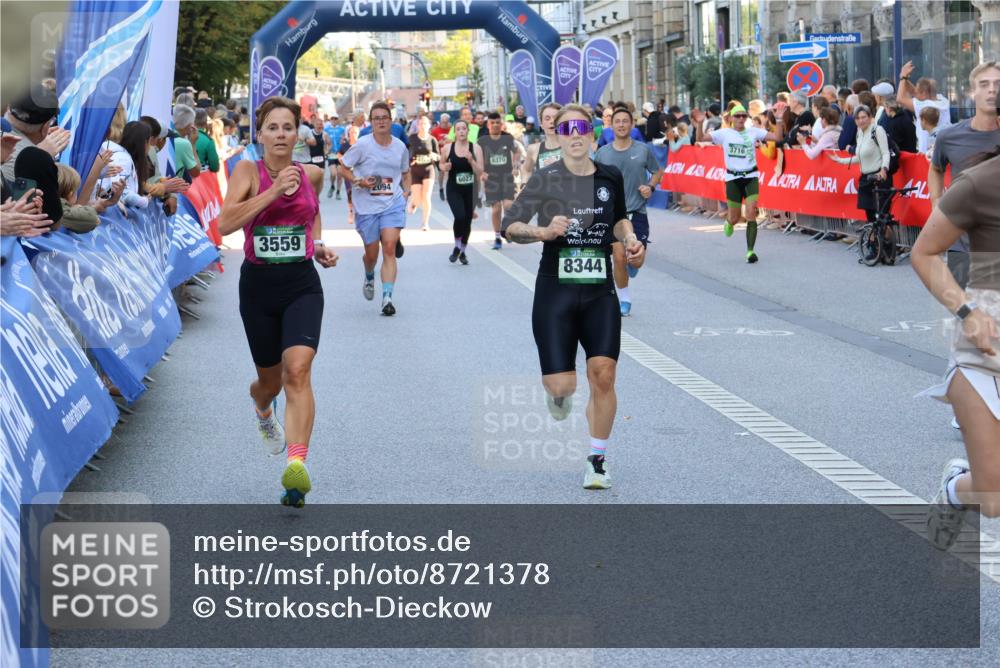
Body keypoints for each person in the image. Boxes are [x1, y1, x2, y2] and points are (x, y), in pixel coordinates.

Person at [501, 104, 645, 490]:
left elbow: (619, 218)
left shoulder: (609, 176)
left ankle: (597, 460)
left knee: (604, 373)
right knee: (561, 386)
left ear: (594, 133)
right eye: (567, 128)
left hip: (599, 291)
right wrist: (544, 232)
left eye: (583, 126)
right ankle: (560, 396)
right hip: (555, 291)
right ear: (559, 136)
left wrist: (630, 239)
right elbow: (509, 226)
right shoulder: (546, 179)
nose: (576, 133)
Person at [218, 96, 339, 508]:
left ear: (298, 133)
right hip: (258, 287)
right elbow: (225, 224)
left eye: (288, 127)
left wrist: (318, 243)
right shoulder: (247, 171)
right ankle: (261, 407)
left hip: (301, 283)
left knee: (298, 371)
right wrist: (271, 195)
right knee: (270, 383)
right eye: (273, 127)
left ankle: (297, 467)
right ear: (261, 134)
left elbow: (311, 212)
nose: (282, 134)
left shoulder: (312, 175)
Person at [911, 146, 1000, 551]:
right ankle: (954, 490)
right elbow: (924, 253)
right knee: (993, 497)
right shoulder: (980, 183)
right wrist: (968, 313)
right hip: (986, 349)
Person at [929, 61, 1000, 430]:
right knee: (967, 316)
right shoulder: (951, 137)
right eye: (984, 84)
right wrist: (936, 207)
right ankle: (968, 396)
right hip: (962, 246)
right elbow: (936, 168)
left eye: (997, 84)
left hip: (994, 246)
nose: (991, 90)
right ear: (973, 92)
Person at [339, 101, 412, 316]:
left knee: (389, 247)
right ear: (371, 122)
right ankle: (369, 274)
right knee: (372, 254)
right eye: (376, 118)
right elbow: (343, 167)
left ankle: (387, 298)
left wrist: (406, 192)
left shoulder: (399, 146)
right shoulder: (362, 145)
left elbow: (406, 173)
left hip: (392, 203)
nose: (381, 121)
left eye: (384, 117)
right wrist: (359, 181)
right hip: (367, 207)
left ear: (391, 121)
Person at [595, 105, 663, 317]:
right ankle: (624, 299)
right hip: (614, 215)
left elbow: (657, 171)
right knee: (618, 257)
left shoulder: (642, 150)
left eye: (625, 121)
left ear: (631, 124)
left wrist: (650, 187)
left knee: (636, 259)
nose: (621, 125)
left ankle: (633, 263)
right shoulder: (602, 153)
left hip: (637, 212)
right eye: (618, 121)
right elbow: (593, 179)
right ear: (611, 125)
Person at [704, 102, 784, 263]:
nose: (741, 118)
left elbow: (777, 138)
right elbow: (700, 138)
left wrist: (780, 120)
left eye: (744, 116)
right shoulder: (724, 133)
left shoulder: (753, 132)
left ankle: (750, 251)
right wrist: (699, 123)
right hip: (733, 178)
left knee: (751, 213)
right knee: (735, 218)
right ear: (732, 118)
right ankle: (729, 222)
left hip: (751, 176)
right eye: (738, 116)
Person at [829, 105, 890, 224]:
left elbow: (885, 153)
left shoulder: (877, 130)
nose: (861, 120)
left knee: (881, 216)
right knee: (870, 215)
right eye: (858, 118)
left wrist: (884, 169)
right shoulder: (859, 133)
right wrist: (840, 160)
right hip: (865, 178)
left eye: (864, 117)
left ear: (870, 117)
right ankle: (875, 240)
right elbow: (860, 158)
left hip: (878, 176)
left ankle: (885, 240)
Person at [439, 119, 484, 264]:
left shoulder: (475, 148)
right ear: (455, 132)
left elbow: (480, 172)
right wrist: (444, 167)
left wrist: (471, 161)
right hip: (454, 188)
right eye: (458, 129)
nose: (461, 131)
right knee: (460, 217)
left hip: (471, 189)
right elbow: (441, 164)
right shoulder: (447, 148)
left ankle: (462, 251)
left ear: (468, 131)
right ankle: (457, 247)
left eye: (464, 128)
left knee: (468, 221)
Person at [478, 111, 522, 250]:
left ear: (501, 124)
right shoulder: (483, 141)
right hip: (491, 179)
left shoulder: (508, 138)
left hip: (507, 177)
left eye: (498, 122)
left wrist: (515, 165)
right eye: (492, 123)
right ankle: (497, 236)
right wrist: (481, 172)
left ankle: (506, 229)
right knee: (496, 209)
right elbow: (478, 158)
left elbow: (517, 151)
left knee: (509, 205)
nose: (495, 125)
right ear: (488, 124)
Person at [897, 60, 954, 153]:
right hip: (942, 149)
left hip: (927, 152)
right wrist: (904, 78)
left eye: (918, 91)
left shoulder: (926, 105)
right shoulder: (942, 100)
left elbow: (900, 99)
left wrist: (903, 76)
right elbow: (914, 92)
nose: (915, 93)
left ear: (924, 93)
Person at [407, 116, 439, 232]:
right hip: (415, 170)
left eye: (425, 124)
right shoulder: (412, 138)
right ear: (418, 125)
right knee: (418, 198)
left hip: (428, 170)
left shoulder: (432, 140)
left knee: (426, 197)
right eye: (421, 124)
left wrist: (433, 157)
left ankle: (425, 223)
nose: (423, 126)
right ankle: (414, 201)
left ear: (429, 125)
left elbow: (438, 156)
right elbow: (407, 152)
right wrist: (410, 161)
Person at [522, 102, 562, 182]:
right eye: (547, 118)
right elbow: (526, 170)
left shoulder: (573, 146)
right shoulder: (534, 149)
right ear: (541, 124)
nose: (552, 121)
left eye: (556, 118)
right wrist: (524, 184)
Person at [171, 104, 201, 183]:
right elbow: (196, 172)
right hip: (173, 190)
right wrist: (193, 144)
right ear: (190, 126)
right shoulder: (184, 144)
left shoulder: (165, 136)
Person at [324, 113, 346, 199]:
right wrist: (325, 151)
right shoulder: (326, 129)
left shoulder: (342, 129)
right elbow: (324, 142)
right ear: (330, 120)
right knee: (333, 173)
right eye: (332, 118)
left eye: (335, 118)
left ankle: (338, 192)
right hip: (331, 154)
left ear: (338, 120)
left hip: (340, 154)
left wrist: (343, 140)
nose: (334, 120)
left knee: (340, 174)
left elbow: (344, 140)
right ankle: (332, 186)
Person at [193, 108, 220, 173]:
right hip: (200, 179)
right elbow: (215, 167)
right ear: (205, 123)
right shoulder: (208, 141)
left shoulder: (183, 136)